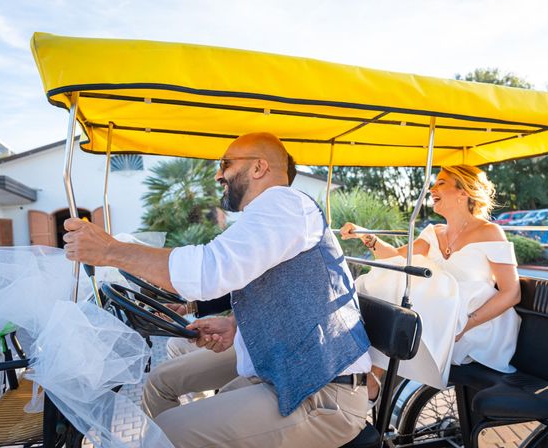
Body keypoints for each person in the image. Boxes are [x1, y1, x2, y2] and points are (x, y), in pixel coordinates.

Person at [64, 132, 372, 448]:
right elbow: (281, 292)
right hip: (283, 364)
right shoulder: (271, 215)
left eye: (225, 163)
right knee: (160, 384)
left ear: (258, 167)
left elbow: (210, 269)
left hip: (321, 392)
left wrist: (110, 250)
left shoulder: (285, 204)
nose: (217, 174)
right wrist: (235, 324)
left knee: (169, 430)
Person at [340, 165, 521, 401]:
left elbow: (511, 293)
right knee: (397, 277)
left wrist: (464, 325)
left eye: (441, 183)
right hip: (437, 317)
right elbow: (395, 257)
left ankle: (373, 377)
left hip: (476, 326)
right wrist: (366, 235)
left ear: (463, 192)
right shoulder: (433, 233)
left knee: (421, 287)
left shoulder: (490, 232)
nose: (432, 188)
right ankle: (362, 367)